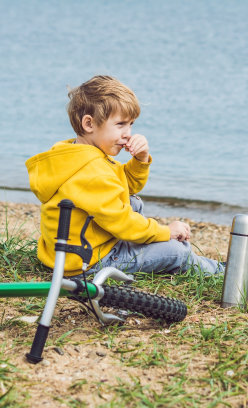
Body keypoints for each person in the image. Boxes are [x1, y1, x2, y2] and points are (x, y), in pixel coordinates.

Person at [25, 75, 225, 277]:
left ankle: (201, 263)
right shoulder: (92, 171)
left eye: (131, 124)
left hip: (65, 254)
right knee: (176, 251)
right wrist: (166, 231)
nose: (128, 133)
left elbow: (125, 185)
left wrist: (140, 159)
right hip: (89, 261)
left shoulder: (73, 154)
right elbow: (123, 223)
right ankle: (217, 271)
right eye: (120, 124)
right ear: (89, 124)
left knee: (132, 202)